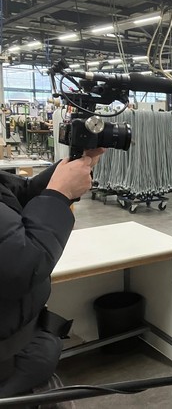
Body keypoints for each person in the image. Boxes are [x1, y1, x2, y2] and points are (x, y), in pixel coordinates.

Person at [0, 148, 105, 399]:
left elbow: (14, 194)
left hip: (22, 356)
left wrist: (68, 168)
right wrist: (60, 194)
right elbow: (22, 265)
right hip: (9, 373)